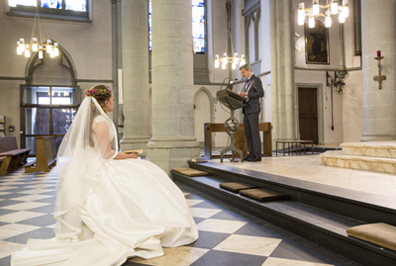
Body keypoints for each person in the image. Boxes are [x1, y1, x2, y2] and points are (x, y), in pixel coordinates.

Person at [11, 85, 198, 266]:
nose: (114, 103)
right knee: (144, 174)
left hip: (90, 164)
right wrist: (129, 156)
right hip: (99, 165)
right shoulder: (101, 122)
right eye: (113, 100)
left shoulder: (90, 121)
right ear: (106, 102)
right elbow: (106, 153)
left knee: (143, 175)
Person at [238, 64, 264, 162]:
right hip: (246, 110)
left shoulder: (255, 79)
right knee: (248, 133)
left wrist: (247, 94)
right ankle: (251, 153)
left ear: (249, 70)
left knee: (254, 133)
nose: (242, 75)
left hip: (253, 110)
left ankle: (257, 155)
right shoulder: (247, 82)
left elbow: (261, 93)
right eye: (241, 73)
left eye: (243, 72)